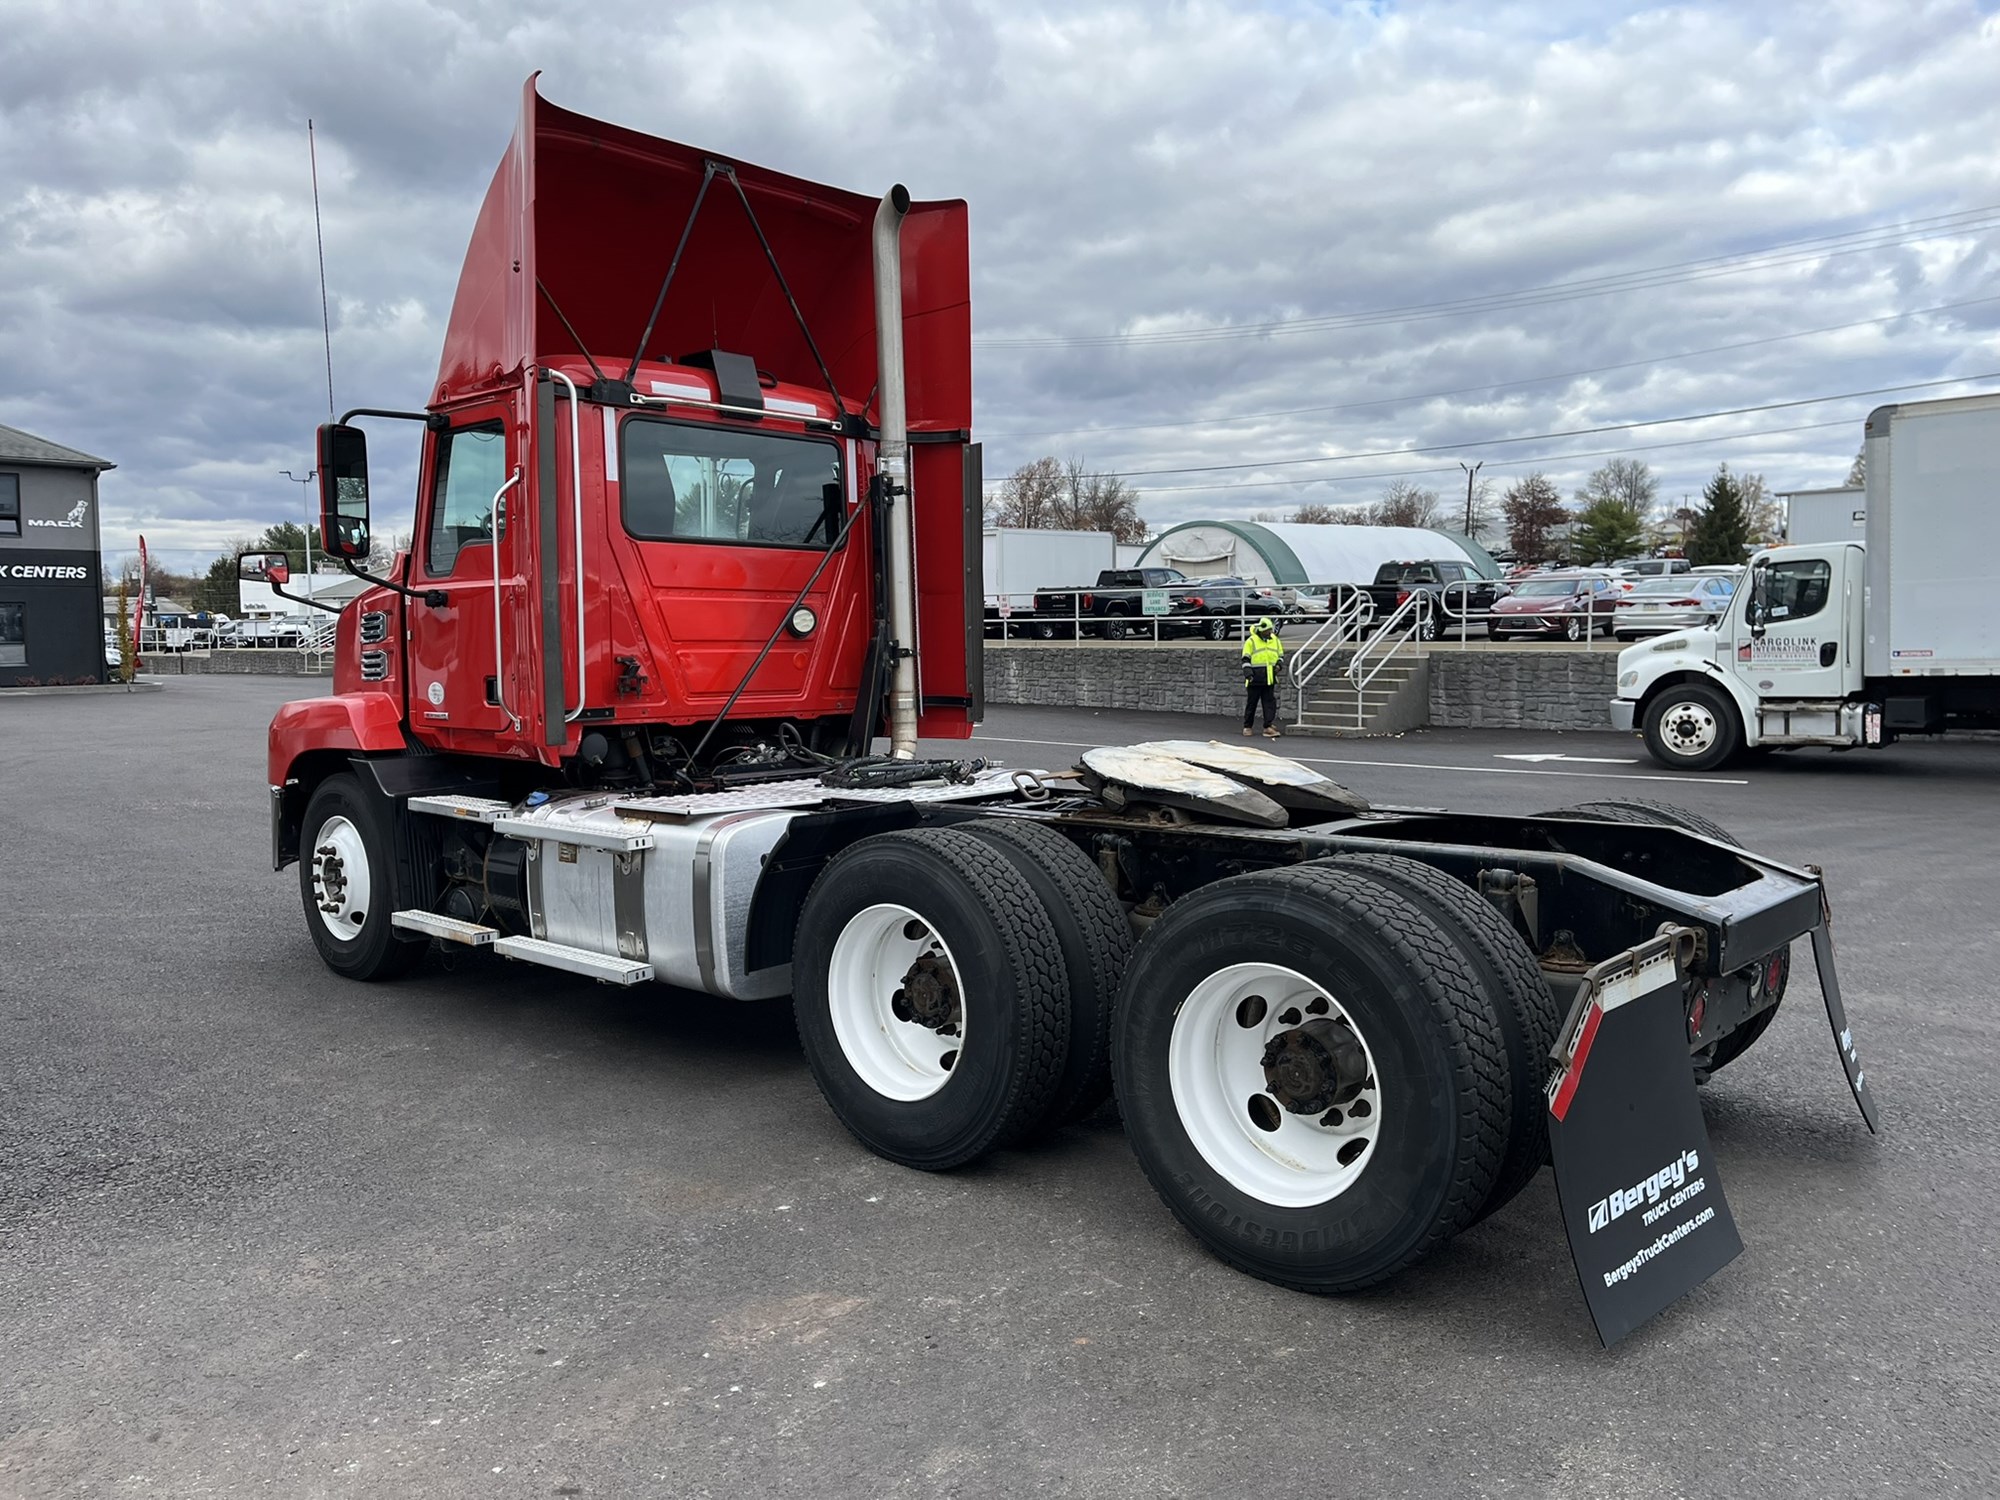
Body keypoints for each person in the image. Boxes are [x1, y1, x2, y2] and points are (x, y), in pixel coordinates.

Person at [1240, 616, 1284, 738]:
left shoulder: (1274, 640)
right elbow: (1245, 659)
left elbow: (1280, 655)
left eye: (1271, 630)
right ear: (1261, 630)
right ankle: (1247, 726)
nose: (1270, 632)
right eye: (1268, 630)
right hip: (1255, 678)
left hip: (1270, 678)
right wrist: (1248, 674)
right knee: (1252, 703)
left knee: (1269, 703)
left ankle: (1268, 726)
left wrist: (1279, 665)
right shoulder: (1251, 641)